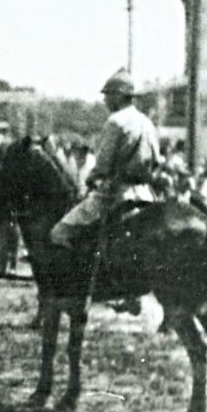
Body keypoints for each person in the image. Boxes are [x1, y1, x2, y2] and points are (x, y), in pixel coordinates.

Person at [47, 72, 161, 308]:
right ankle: (132, 295)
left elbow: (102, 165)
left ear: (119, 96)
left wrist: (90, 180)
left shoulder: (116, 122)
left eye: (108, 96)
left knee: (59, 233)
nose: (105, 101)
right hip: (146, 194)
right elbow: (157, 161)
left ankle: (73, 293)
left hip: (117, 193)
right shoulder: (147, 122)